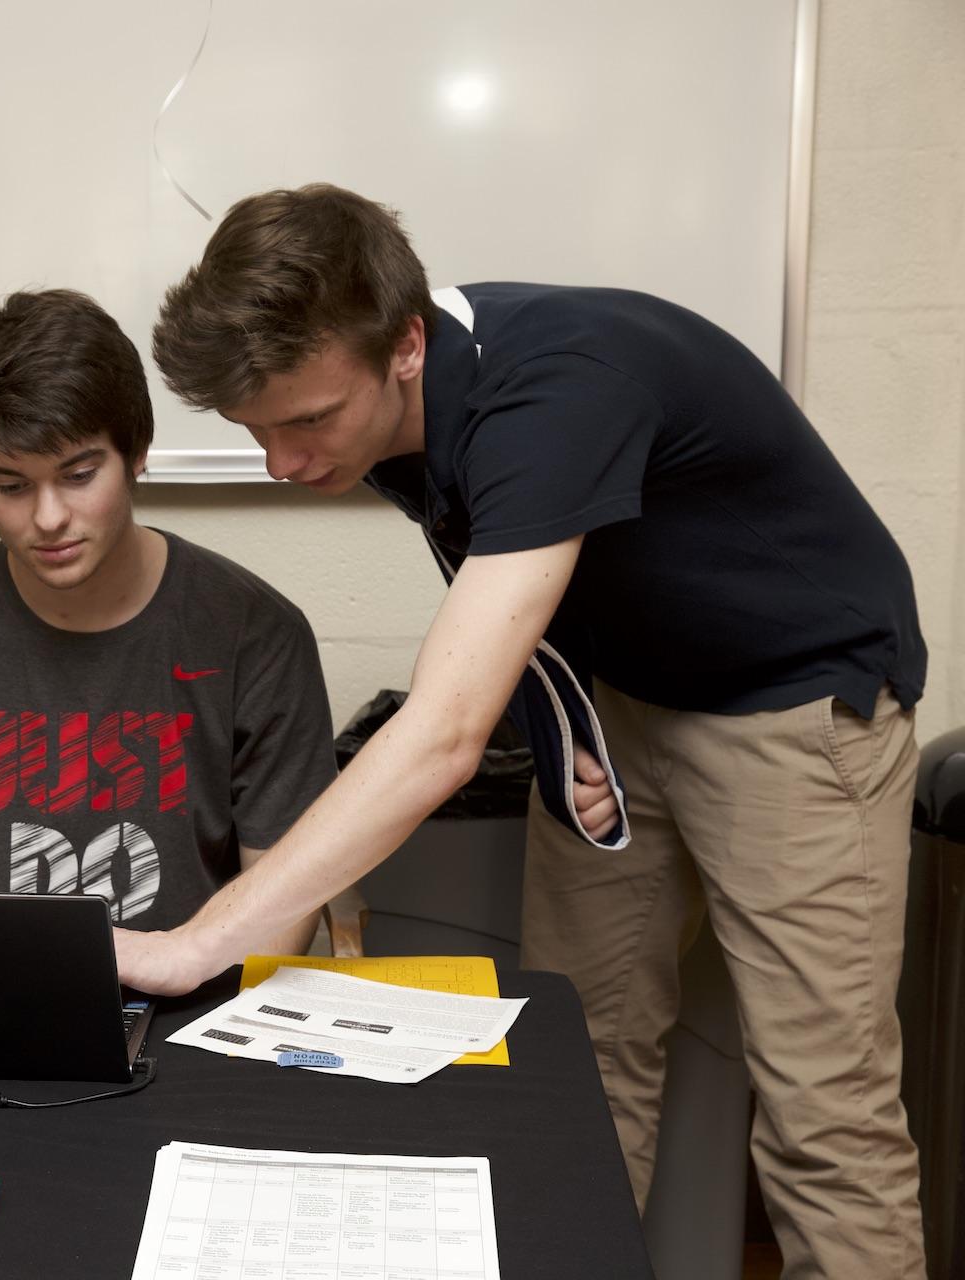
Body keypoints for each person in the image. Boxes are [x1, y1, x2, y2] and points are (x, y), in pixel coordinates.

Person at [138, 183, 926, 1276]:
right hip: (630, 698)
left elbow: (443, 732)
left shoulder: (554, 388)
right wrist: (563, 721)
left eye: (308, 421)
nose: (283, 461)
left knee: (823, 1117)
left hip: (794, 703)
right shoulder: (397, 403)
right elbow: (527, 578)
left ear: (404, 344)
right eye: (255, 429)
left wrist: (197, 946)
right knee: (572, 1067)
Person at [0, 288, 335, 947]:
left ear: (136, 453)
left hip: (197, 1004)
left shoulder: (256, 636)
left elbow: (278, 923)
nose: (47, 518)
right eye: (11, 486)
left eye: (78, 475)